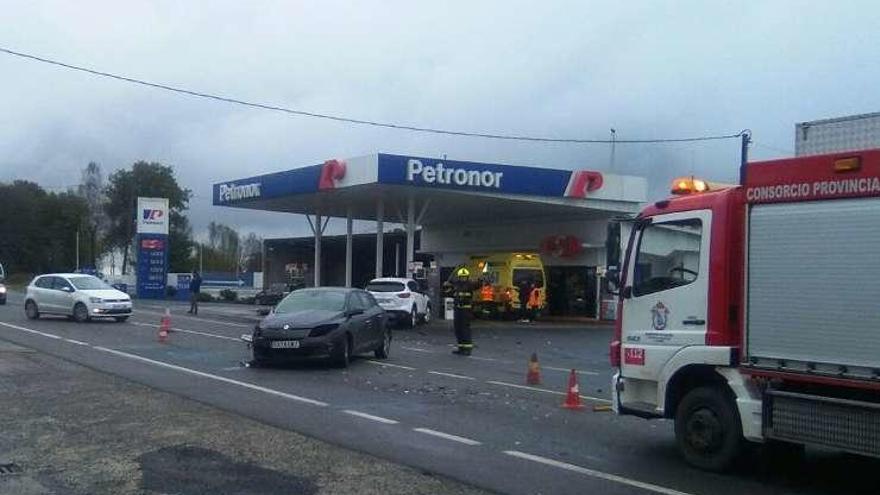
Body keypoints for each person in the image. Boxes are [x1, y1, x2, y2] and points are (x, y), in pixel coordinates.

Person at [451, 266, 477, 355]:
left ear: (467, 277)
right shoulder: (456, 285)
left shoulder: (470, 284)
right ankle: (461, 347)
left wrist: (481, 280)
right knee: (457, 329)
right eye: (461, 277)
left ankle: (467, 349)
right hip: (457, 310)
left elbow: (477, 285)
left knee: (465, 329)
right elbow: (448, 288)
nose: (463, 278)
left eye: (465, 277)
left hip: (465, 310)